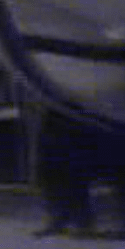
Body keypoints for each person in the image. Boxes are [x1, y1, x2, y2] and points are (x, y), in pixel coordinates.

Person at [27, 96, 97, 238]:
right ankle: (60, 218)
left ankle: (82, 222)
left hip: (67, 113)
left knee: (72, 174)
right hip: (55, 118)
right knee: (51, 173)